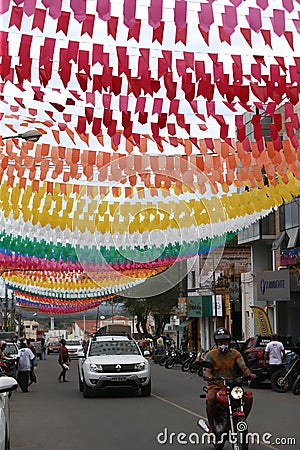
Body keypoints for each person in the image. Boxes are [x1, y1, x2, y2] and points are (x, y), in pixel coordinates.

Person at [205, 327, 256, 435]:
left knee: (248, 398)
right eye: (220, 342)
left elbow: (243, 367)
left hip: (233, 385)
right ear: (216, 343)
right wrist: (209, 377)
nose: (223, 344)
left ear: (228, 341)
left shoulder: (235, 353)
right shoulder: (211, 355)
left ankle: (240, 420)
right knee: (210, 399)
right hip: (216, 385)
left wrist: (249, 374)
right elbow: (208, 370)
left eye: (225, 341)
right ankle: (211, 427)